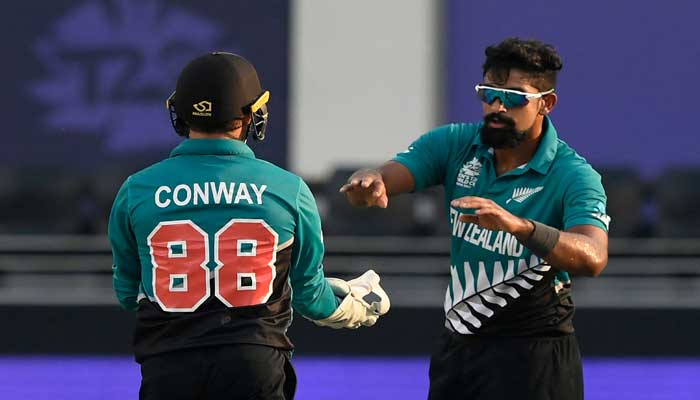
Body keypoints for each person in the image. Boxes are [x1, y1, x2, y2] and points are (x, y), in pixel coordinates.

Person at [108, 52, 389, 400]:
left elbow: (127, 294)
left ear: (178, 113)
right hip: (254, 365)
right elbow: (310, 297)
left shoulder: (137, 190)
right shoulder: (289, 189)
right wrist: (352, 308)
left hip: (169, 366)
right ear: (250, 114)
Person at [340, 38, 610, 399]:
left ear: (546, 103)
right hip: (460, 347)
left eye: (514, 97)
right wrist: (371, 181)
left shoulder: (573, 175)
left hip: (535, 355)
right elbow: (390, 175)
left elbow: (593, 256)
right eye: (488, 93)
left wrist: (519, 227)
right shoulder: (456, 143)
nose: (497, 107)